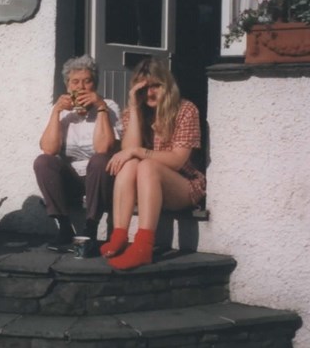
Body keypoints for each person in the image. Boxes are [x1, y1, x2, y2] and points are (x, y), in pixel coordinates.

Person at [101, 57, 206, 270]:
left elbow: (177, 161)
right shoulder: (133, 112)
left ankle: (143, 246)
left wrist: (139, 151)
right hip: (147, 187)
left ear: (167, 85)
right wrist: (133, 107)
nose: (150, 93)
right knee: (130, 163)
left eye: (156, 86)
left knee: (145, 164)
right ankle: (120, 234)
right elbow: (128, 151)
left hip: (182, 186)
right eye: (144, 87)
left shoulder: (186, 110)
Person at [34, 54, 122, 249]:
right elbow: (48, 148)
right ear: (68, 86)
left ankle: (91, 227)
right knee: (43, 161)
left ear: (95, 85)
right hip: (71, 181)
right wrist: (56, 111)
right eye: (75, 82)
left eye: (87, 81)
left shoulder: (109, 107)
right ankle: (64, 227)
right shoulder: (63, 112)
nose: (81, 87)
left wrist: (100, 108)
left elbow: (104, 148)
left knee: (100, 160)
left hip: (100, 180)